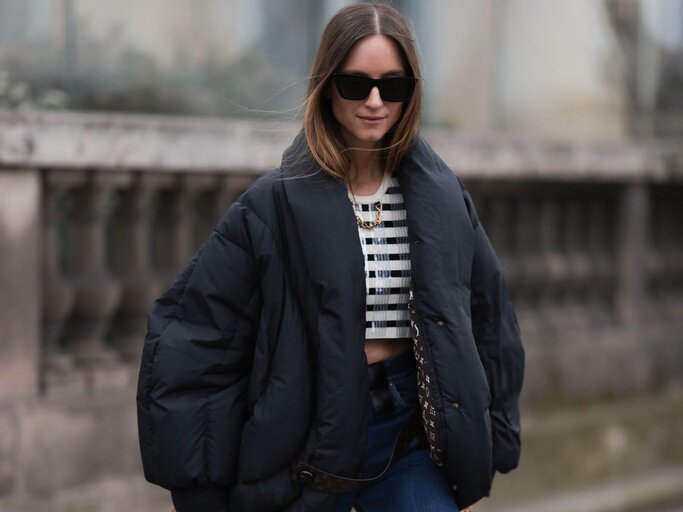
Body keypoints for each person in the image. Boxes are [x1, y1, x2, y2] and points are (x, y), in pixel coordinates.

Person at [136, 3, 525, 512]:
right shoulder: (271, 205)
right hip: (306, 440)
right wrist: (200, 488)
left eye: (394, 85)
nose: (375, 100)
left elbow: (488, 321)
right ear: (326, 85)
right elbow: (194, 340)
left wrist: (477, 452)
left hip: (411, 436)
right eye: (355, 83)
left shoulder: (442, 198)